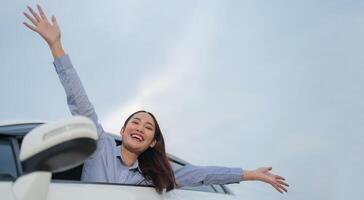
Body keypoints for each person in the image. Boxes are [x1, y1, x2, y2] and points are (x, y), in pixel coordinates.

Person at [23, 4, 289, 194]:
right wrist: (55, 45)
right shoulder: (99, 146)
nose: (140, 128)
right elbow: (78, 99)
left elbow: (204, 174)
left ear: (153, 142)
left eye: (148, 128)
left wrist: (251, 174)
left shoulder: (157, 177)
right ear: (124, 129)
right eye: (135, 123)